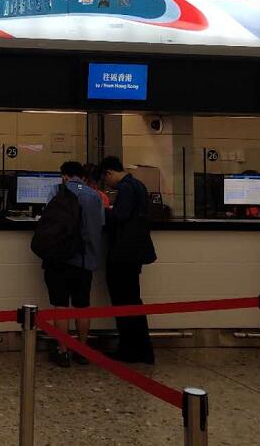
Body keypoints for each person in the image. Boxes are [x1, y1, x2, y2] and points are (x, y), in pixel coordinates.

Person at [45, 161, 105, 368]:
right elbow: (100, 225)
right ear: (82, 176)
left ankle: (62, 351)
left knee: (61, 305)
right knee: (82, 305)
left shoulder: (57, 191)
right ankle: (81, 350)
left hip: (59, 257)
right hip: (84, 259)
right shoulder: (94, 195)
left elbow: (48, 221)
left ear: (64, 175)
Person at [101, 156, 156, 365]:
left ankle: (129, 350)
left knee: (123, 301)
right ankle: (143, 350)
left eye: (106, 180)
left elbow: (120, 216)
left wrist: (101, 210)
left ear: (109, 172)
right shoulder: (138, 185)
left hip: (123, 253)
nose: (107, 184)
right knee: (133, 301)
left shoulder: (125, 188)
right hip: (134, 252)